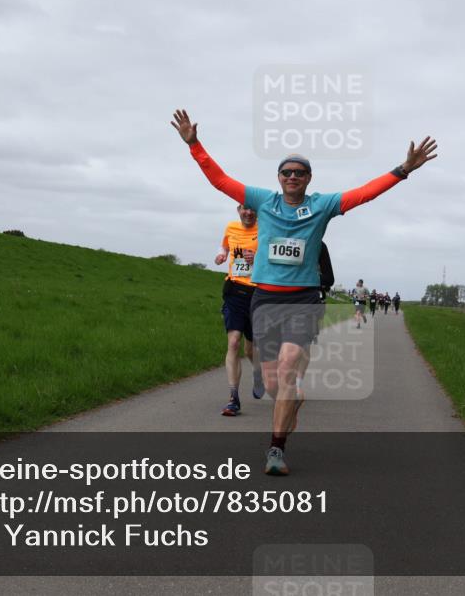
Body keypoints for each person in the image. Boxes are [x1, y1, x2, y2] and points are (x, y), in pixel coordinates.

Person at [172, 109, 437, 475]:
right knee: (271, 382)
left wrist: (402, 170)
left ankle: (276, 450)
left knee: (287, 366)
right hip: (264, 299)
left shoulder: (322, 206)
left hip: (302, 300)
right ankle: (292, 398)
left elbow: (363, 194)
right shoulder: (263, 201)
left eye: (299, 172)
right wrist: (194, 145)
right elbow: (219, 180)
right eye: (286, 172)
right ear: (278, 178)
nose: (292, 176)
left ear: (309, 178)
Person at [213, 204, 263, 416]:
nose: (248, 213)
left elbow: (278, 259)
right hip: (234, 292)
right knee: (233, 343)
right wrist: (222, 255)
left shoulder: (266, 230)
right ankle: (233, 398)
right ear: (238, 210)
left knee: (250, 350)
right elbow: (224, 246)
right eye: (244, 209)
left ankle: (259, 373)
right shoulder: (231, 228)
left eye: (252, 209)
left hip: (259, 294)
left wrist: (260, 259)